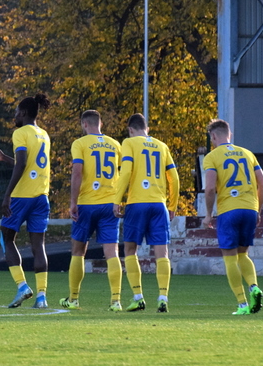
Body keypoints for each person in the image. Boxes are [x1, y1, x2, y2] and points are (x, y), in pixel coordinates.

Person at [0, 94, 52, 309]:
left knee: (6, 238)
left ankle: (22, 286)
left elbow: (22, 163)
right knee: (38, 246)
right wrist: (5, 158)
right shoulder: (44, 134)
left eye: (16, 112)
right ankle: (41, 297)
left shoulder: (20, 133)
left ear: (23, 113)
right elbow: (28, 163)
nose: (14, 116)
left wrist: (7, 195)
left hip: (22, 196)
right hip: (41, 196)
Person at [112, 113, 179, 313]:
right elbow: (174, 178)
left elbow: (126, 172)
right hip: (159, 205)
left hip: (137, 203)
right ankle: (163, 298)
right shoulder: (162, 146)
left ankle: (138, 297)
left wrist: (117, 200)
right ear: (147, 129)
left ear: (130, 130)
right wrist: (173, 205)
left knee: (130, 249)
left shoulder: (129, 143)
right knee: (162, 253)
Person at [202, 119, 263, 315]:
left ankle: (242, 304)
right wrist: (257, 210)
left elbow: (210, 188)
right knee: (243, 254)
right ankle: (254, 286)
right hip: (249, 208)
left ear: (213, 136)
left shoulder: (212, 157)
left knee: (230, 258)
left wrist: (208, 214)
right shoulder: (247, 154)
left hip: (229, 210)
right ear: (229, 134)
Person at [62, 110, 123, 311]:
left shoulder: (80, 144)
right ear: (100, 124)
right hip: (109, 204)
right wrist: (120, 198)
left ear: (84, 124)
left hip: (87, 204)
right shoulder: (115, 144)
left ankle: (73, 299)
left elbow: (77, 172)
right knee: (112, 252)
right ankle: (116, 301)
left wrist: (73, 202)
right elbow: (124, 172)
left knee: (78, 251)